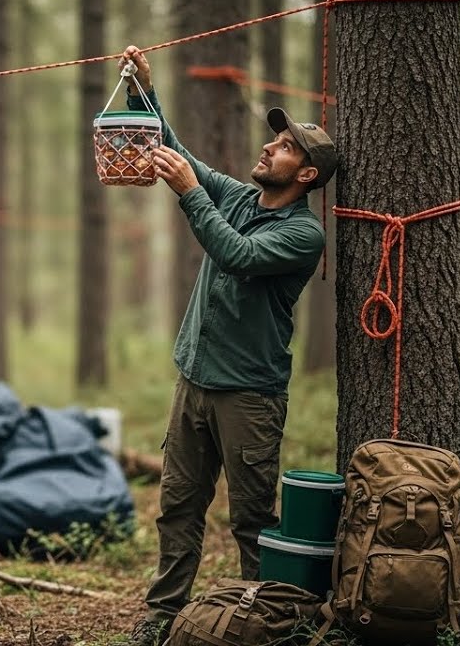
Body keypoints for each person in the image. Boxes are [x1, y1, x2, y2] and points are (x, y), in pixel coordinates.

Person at [118, 45, 342, 646]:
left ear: (306, 175)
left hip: (249, 396)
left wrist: (191, 193)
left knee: (252, 519)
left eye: (286, 146)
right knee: (177, 507)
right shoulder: (242, 197)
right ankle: (164, 614)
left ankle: (260, 621)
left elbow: (237, 255)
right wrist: (144, 90)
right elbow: (181, 155)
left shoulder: (303, 234)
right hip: (193, 381)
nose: (270, 146)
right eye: (276, 141)